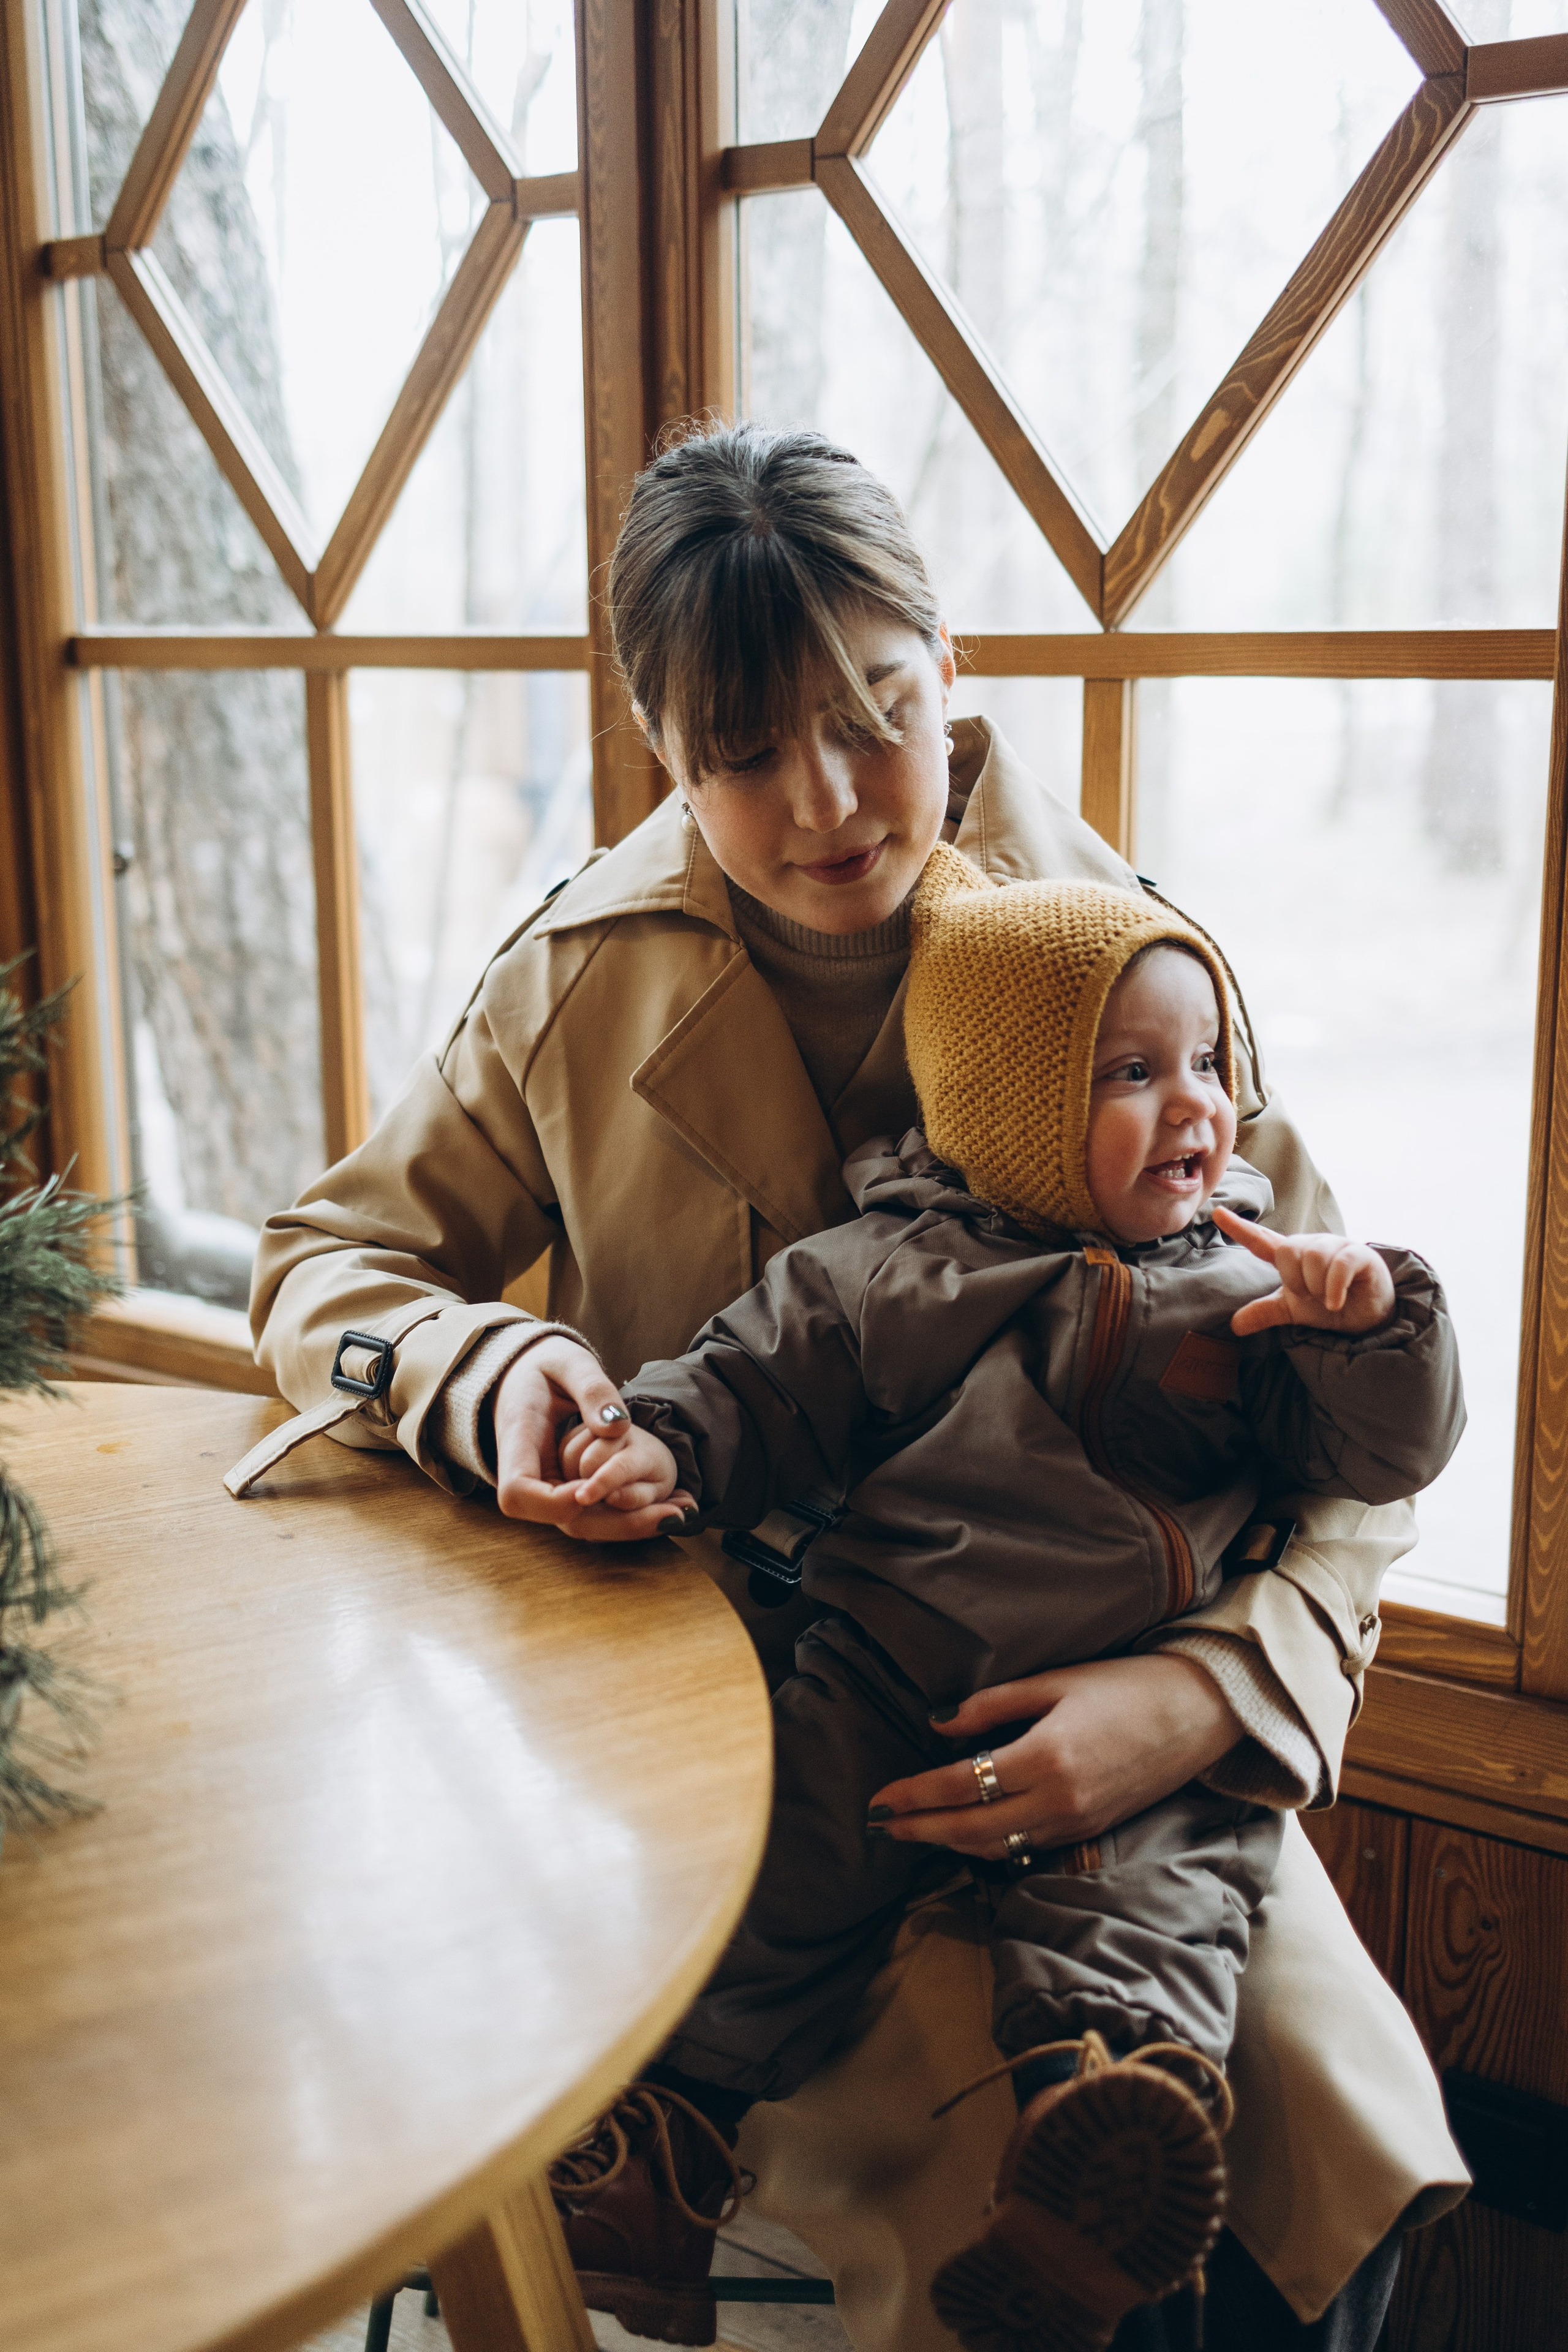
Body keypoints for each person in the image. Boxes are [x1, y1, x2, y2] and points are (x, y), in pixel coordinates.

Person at [238, 423, 1468, 2351]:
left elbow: (1347, 1388)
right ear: (661, 744)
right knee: (956, 2202)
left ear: (951, 665)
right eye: (742, 753)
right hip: (744, 1730)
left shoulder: (1129, 960)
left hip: (1138, 1717)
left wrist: (1200, 1696)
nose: (824, 801)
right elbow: (329, 1261)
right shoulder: (573, 979)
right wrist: (500, 1368)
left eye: (875, 713)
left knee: (1315, 2167)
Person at [543, 851, 1465, 2348]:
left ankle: (1089, 2156)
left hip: (1150, 1689)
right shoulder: (890, 1271)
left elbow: (1366, 1463)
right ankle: (658, 2165)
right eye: (1132, 1074)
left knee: (1157, 1908)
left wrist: (1370, 1333)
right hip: (892, 1665)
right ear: (1015, 1114)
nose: (1197, 1106)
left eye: (1206, 1063)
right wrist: (656, 1444)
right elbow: (749, 1380)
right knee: (772, 1874)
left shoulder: (1241, 1279)